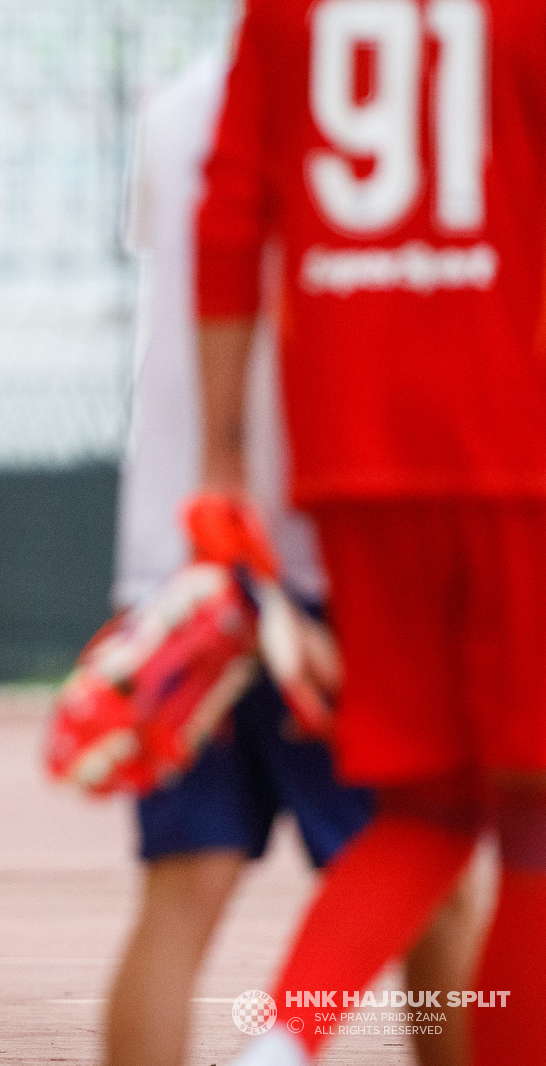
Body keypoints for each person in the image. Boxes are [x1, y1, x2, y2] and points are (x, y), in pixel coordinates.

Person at [105, 52, 482, 1066]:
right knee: (437, 882)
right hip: (336, 558)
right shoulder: (408, 100)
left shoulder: (177, 107)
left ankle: (282, 1038)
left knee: (178, 895)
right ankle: (287, 1038)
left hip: (180, 557)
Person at [194, 3, 546, 1063]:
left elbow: (229, 215)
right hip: (516, 441)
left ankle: (283, 1039)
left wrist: (221, 455)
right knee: (531, 818)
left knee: (429, 806)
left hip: (351, 447)